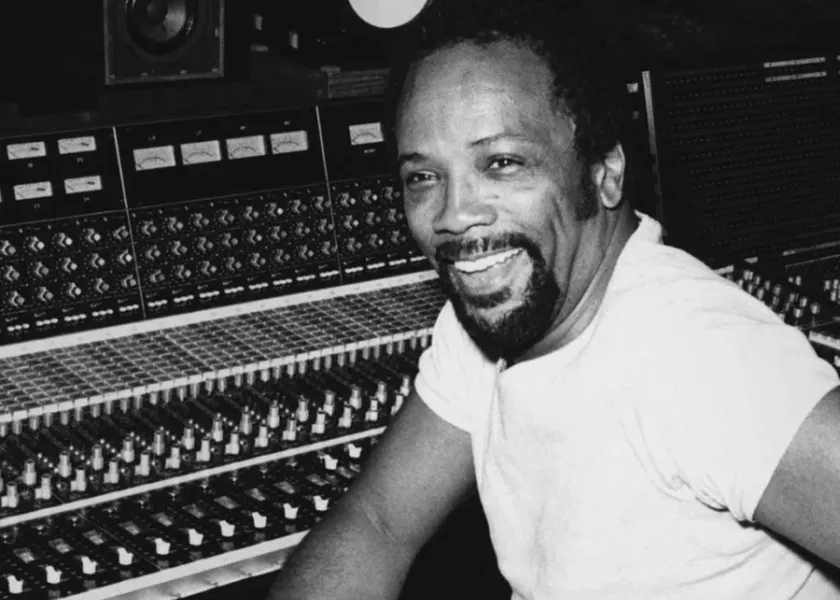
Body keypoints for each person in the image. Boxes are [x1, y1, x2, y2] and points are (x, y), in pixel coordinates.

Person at [267, 0, 840, 598]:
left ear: (604, 173)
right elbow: (377, 524)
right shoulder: (485, 324)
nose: (455, 215)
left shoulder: (700, 357)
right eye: (424, 177)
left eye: (502, 163)